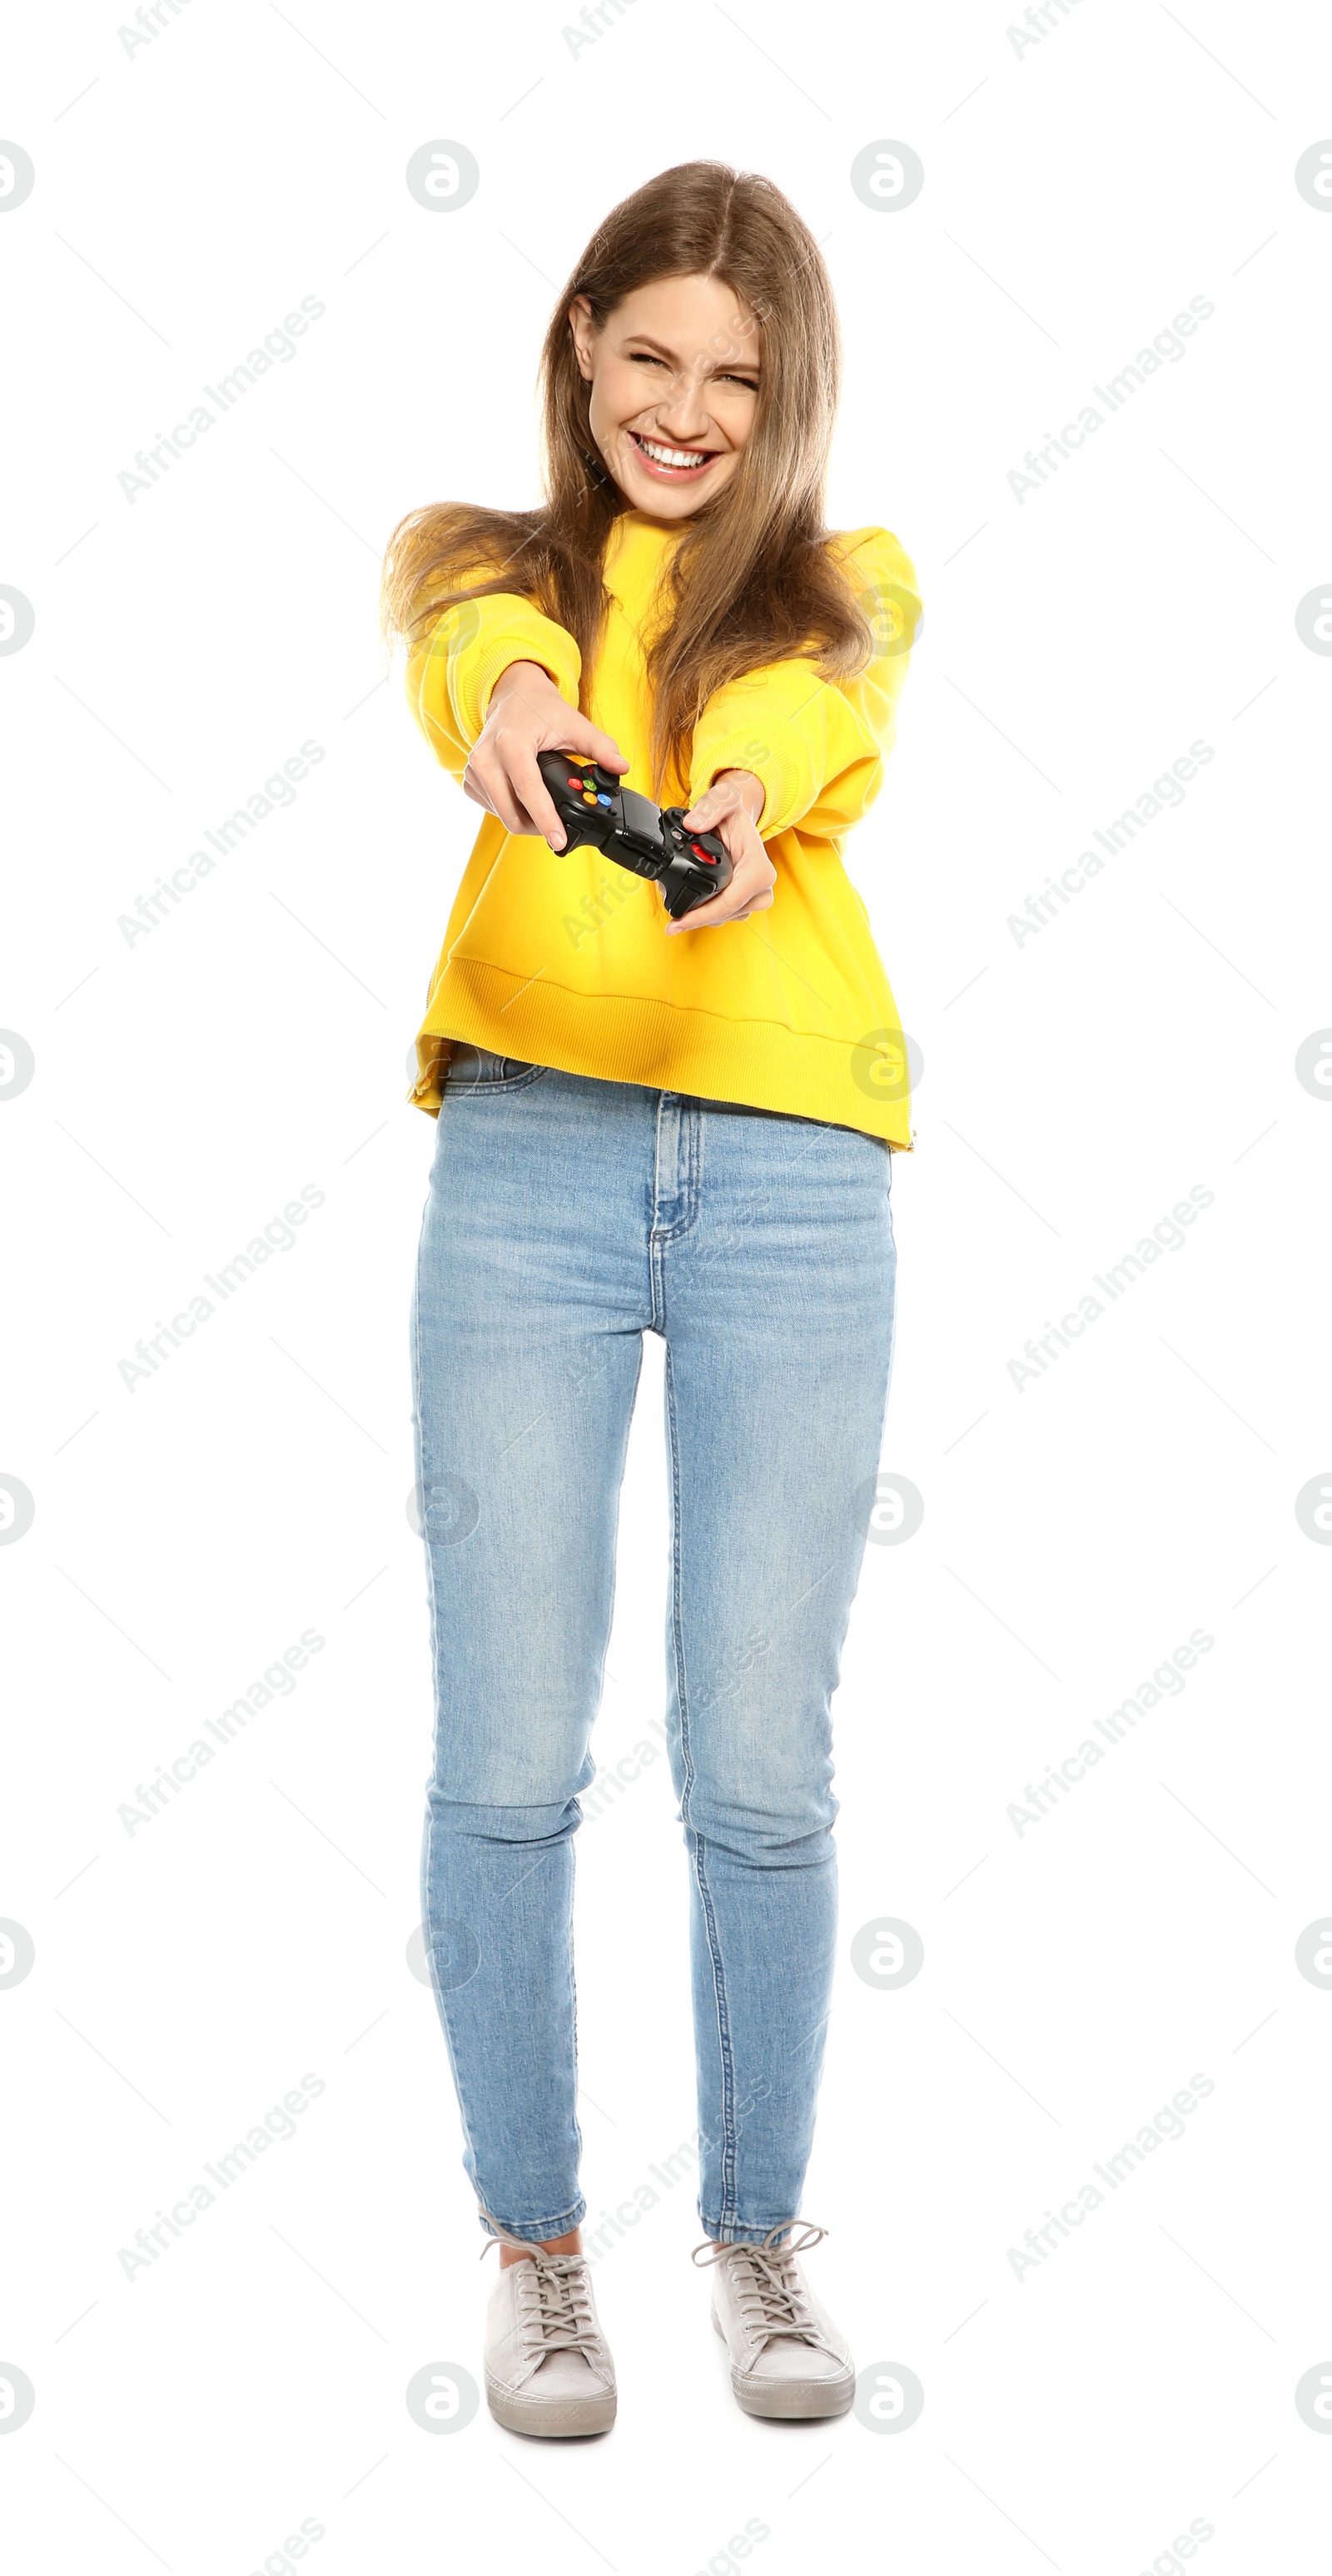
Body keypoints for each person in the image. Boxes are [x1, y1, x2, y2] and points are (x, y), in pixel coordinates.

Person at [380, 159, 921, 2438]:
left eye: (740, 377)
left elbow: (816, 724)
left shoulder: (844, 588)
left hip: (795, 1170)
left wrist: (722, 795)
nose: (688, 413)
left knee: (757, 1763)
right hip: (531, 1161)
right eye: (651, 360)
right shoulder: (482, 571)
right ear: (582, 347)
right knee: (510, 1754)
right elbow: (471, 656)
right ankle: (537, 2255)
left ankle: (759, 2242)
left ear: (784, 400)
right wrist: (524, 714)